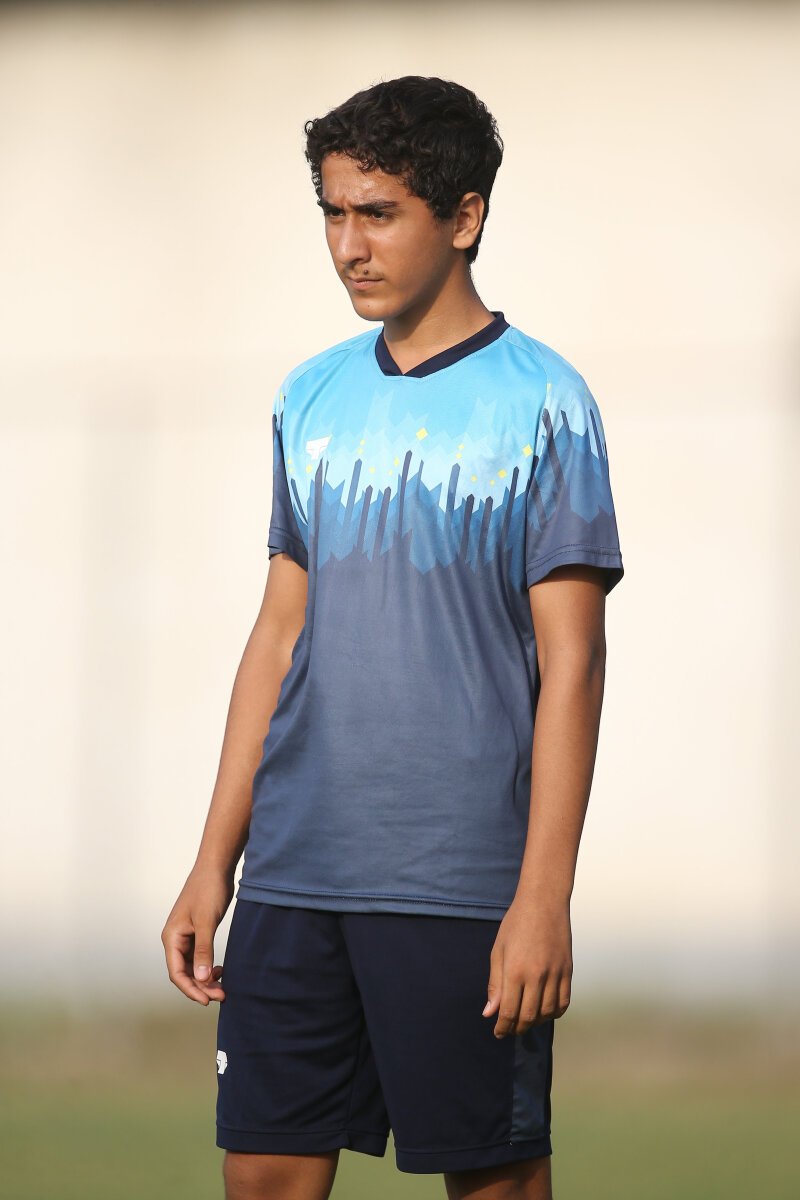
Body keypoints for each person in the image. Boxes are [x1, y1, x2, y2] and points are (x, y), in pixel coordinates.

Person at [162, 74, 625, 1200]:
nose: (347, 246)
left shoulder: (547, 403)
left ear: (463, 217)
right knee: (262, 1176)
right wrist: (214, 863)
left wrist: (543, 896)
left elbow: (573, 660)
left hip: (460, 885)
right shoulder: (308, 397)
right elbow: (277, 636)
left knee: (492, 1183)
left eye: (378, 214)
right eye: (332, 212)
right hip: (294, 875)